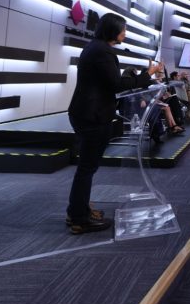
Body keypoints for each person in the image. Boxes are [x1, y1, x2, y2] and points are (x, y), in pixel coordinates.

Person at [67, 13, 162, 234]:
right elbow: (117, 84)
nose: (125, 33)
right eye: (123, 29)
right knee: (87, 168)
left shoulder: (96, 48)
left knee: (86, 168)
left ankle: (78, 210)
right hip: (92, 116)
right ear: (113, 30)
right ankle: (79, 218)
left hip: (87, 113)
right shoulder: (102, 51)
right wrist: (148, 74)